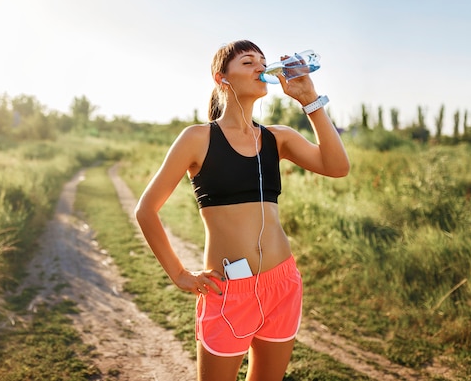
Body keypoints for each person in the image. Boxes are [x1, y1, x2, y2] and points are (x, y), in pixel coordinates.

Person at [134, 40, 350, 381]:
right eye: (248, 62)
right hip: (228, 291)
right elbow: (146, 209)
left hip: (282, 285)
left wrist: (310, 100)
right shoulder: (197, 139)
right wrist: (178, 274)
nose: (260, 68)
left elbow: (337, 167)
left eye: (263, 62)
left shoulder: (279, 138)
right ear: (222, 78)